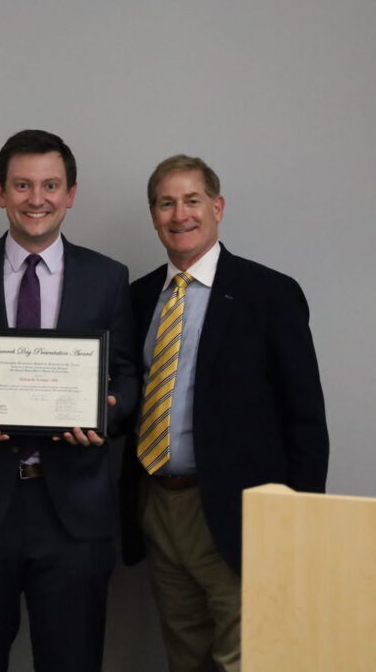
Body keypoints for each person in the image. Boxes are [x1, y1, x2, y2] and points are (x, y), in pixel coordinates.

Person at [0, 129, 138, 672]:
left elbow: (129, 376)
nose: (37, 198)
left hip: (74, 512)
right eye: (22, 185)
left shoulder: (108, 279)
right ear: (0, 193)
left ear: (71, 194)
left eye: (50, 185)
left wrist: (106, 415)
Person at [120, 155, 329, 672]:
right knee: (185, 655)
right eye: (166, 203)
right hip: (159, 506)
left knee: (246, 659)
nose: (180, 214)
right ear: (152, 215)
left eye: (192, 200)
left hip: (240, 513)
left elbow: (305, 418)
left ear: (217, 207)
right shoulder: (136, 297)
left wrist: (298, 522)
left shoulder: (270, 294)